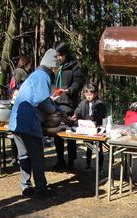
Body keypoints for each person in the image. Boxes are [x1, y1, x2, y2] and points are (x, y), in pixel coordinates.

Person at [9, 49, 64, 198]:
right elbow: (42, 102)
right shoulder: (43, 76)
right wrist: (55, 111)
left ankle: (25, 186)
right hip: (29, 122)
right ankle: (40, 188)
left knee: (24, 156)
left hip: (16, 121)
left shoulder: (34, 75)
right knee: (37, 156)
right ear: (53, 66)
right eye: (57, 66)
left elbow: (39, 98)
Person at [53, 41, 85, 170]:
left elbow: (79, 82)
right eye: (56, 56)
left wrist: (70, 90)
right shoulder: (54, 65)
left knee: (70, 134)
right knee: (57, 134)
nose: (58, 58)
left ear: (65, 54)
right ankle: (60, 159)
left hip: (69, 103)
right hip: (55, 103)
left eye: (60, 55)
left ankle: (71, 159)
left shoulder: (74, 67)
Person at [72, 83, 108, 169]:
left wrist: (93, 121)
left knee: (99, 148)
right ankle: (88, 165)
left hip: (98, 129)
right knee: (89, 147)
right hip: (87, 128)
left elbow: (102, 116)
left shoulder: (100, 104)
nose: (88, 96)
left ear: (95, 94)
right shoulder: (83, 103)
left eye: (90, 94)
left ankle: (100, 167)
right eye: (86, 94)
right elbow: (78, 111)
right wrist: (75, 116)